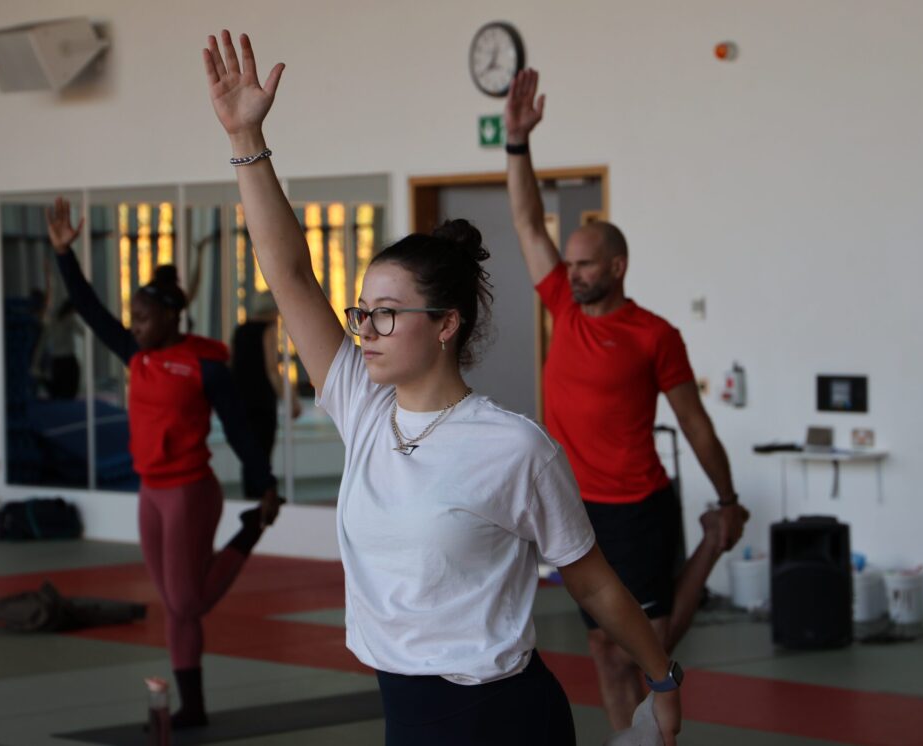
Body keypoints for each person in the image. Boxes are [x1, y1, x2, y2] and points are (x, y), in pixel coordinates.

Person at [202, 30, 682, 745]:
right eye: (363, 312)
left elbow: (592, 582)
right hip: (407, 712)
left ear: (447, 324)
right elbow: (290, 274)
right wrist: (246, 138)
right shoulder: (363, 410)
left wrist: (663, 679)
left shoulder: (514, 446)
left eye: (388, 314)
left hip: (500, 715)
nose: (366, 327)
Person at [504, 68, 749, 730]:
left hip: (637, 506)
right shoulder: (565, 308)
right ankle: (627, 741)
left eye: (585, 264)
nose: (571, 272)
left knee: (650, 646)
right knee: (601, 645)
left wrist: (725, 499)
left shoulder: (653, 335)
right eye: (571, 264)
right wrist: (518, 144)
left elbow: (695, 424)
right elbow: (527, 223)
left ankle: (709, 546)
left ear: (615, 267)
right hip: (575, 507)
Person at [45, 197, 283, 730]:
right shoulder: (138, 355)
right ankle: (193, 706)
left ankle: (247, 534)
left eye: (145, 318)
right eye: (133, 317)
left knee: (187, 600)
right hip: (150, 493)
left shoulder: (206, 365)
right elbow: (88, 308)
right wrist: (64, 254)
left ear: (173, 316)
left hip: (190, 493)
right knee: (176, 608)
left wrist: (263, 483)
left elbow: (241, 430)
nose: (135, 326)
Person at [230, 290, 301, 498]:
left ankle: (252, 499)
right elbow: (272, 368)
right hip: (261, 402)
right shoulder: (268, 330)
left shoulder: (240, 330)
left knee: (250, 455)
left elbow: (232, 363)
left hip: (242, 402)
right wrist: (290, 400)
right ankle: (263, 497)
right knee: (263, 452)